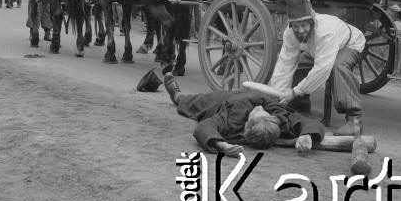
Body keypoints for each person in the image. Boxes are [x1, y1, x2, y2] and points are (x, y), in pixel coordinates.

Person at [138, 71, 325, 157]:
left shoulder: (229, 121)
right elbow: (305, 122)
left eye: (258, 114)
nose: (261, 109)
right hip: (248, 92)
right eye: (264, 113)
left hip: (223, 100)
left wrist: (221, 145)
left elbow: (204, 127)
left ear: (247, 125)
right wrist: (307, 135)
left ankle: (176, 94)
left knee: (191, 102)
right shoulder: (276, 118)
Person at [268, 0, 366, 136]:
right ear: (291, 25)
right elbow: (284, 66)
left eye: (304, 25)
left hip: (350, 43)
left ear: (312, 22)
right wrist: (277, 97)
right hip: (319, 51)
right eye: (296, 26)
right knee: (299, 65)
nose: (300, 30)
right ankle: (300, 109)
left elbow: (322, 69)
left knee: (337, 67)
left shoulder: (325, 32)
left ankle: (354, 121)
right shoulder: (290, 34)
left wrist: (294, 92)